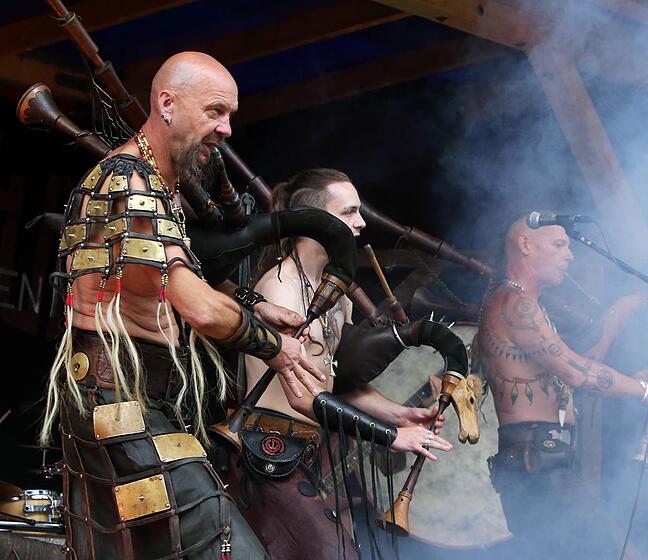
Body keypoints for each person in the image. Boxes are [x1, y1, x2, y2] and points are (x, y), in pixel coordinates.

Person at [42, 52, 328, 560]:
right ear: (167, 104)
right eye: (215, 111)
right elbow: (198, 308)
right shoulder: (129, 182)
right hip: (116, 405)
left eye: (230, 114)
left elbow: (164, 286)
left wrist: (253, 307)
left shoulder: (156, 186)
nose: (227, 129)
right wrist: (275, 348)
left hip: (139, 402)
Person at [219, 168, 453, 560]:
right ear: (315, 220)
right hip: (270, 458)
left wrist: (401, 414)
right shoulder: (280, 289)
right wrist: (391, 435)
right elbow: (302, 397)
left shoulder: (336, 295)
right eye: (349, 212)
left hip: (307, 456)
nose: (361, 223)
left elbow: (336, 383)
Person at [476, 215, 648, 559]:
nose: (570, 255)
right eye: (559, 245)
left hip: (545, 460)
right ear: (525, 245)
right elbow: (578, 372)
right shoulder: (516, 304)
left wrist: (620, 314)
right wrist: (644, 390)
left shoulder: (523, 304)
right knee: (609, 551)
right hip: (537, 463)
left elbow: (579, 362)